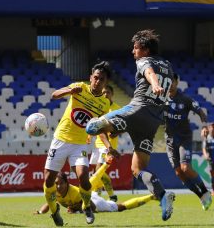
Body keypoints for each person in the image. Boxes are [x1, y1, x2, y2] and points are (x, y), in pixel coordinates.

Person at [85, 29, 175, 221]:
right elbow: (173, 86)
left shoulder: (143, 61)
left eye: (135, 48)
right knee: (137, 169)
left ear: (145, 50)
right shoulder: (168, 65)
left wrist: (155, 84)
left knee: (93, 127)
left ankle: (109, 126)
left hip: (137, 111)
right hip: (153, 121)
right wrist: (162, 91)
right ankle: (162, 195)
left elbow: (149, 72)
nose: (133, 52)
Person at [43, 61, 119, 226]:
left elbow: (101, 128)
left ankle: (86, 207)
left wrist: (109, 147)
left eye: (102, 80)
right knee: (49, 180)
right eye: (96, 78)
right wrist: (70, 91)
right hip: (61, 140)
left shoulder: (104, 104)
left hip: (80, 144)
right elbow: (54, 95)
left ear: (106, 82)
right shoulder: (80, 87)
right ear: (91, 77)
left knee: (84, 177)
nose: (97, 82)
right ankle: (54, 211)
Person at [35, 157, 155, 215]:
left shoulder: (75, 193)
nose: (58, 186)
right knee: (93, 179)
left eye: (61, 183)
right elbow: (49, 202)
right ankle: (107, 164)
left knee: (120, 207)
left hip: (94, 201)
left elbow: (92, 208)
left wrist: (75, 210)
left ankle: (151, 197)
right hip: (88, 193)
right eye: (56, 184)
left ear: (67, 183)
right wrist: (40, 212)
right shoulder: (55, 191)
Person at [164, 73, 211, 210]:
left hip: (184, 138)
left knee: (186, 168)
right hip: (169, 141)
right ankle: (201, 195)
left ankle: (205, 192)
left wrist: (204, 126)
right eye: (168, 82)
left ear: (177, 82)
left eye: (173, 81)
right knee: (179, 172)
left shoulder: (185, 99)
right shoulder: (161, 100)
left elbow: (201, 112)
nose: (170, 84)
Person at [89, 85, 121, 201]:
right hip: (98, 143)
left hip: (108, 146)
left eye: (107, 92)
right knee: (98, 171)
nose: (105, 94)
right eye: (103, 92)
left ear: (112, 94)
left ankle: (98, 194)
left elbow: (125, 125)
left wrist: (118, 132)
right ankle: (110, 195)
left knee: (99, 170)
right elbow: (94, 124)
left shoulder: (117, 109)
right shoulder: (100, 107)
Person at [202, 123, 214, 196]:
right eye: (211, 127)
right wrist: (205, 154)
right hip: (211, 160)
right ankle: (213, 190)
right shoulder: (207, 138)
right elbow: (204, 148)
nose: (212, 129)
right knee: (212, 176)